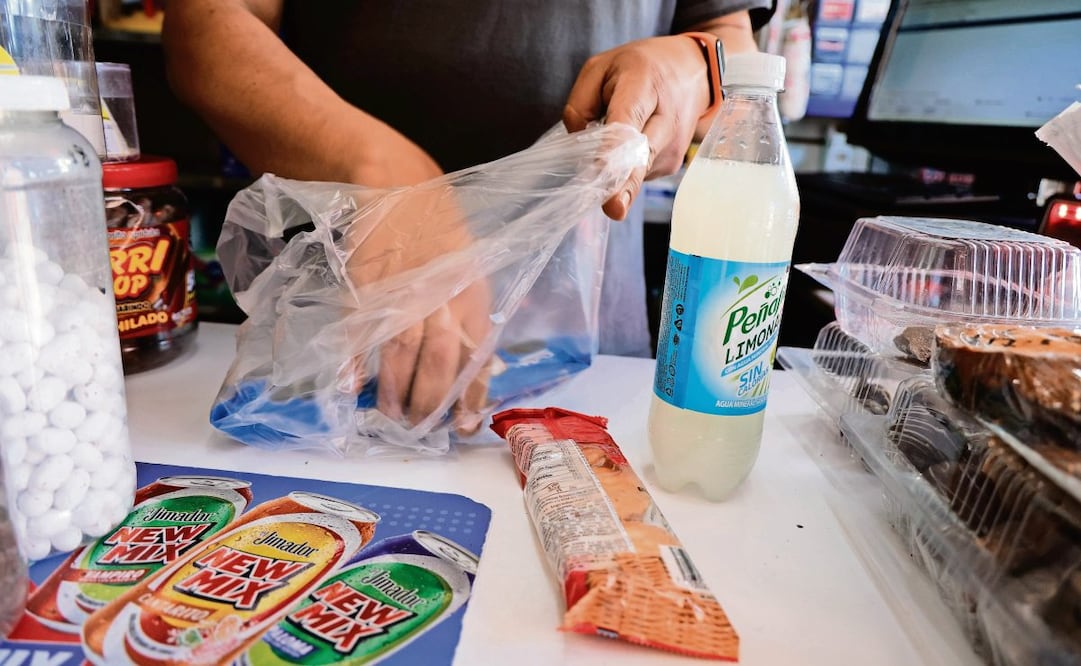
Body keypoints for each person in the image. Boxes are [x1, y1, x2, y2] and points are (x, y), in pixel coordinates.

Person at [162, 0, 776, 430]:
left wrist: (691, 64)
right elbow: (208, 24)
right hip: (346, 331)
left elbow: (728, 39)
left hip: (577, 346)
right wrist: (384, 177)